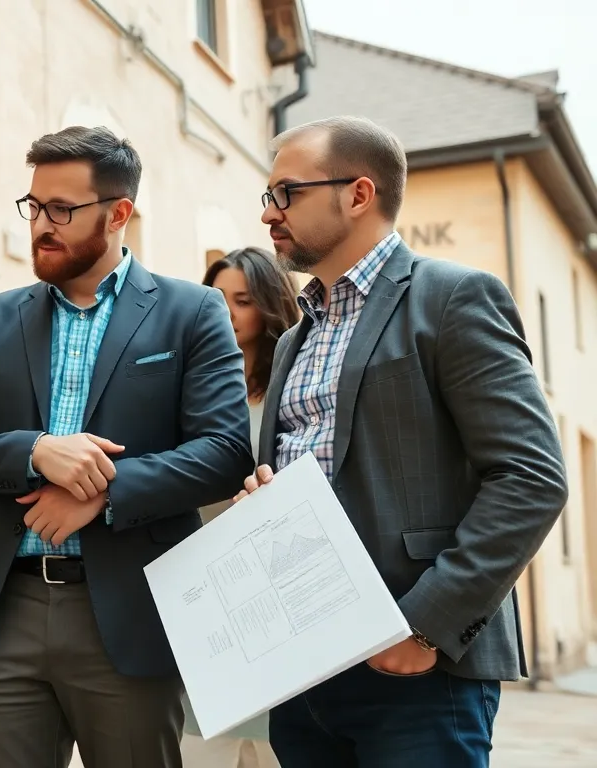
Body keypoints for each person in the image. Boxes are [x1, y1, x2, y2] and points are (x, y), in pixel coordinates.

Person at [234, 115, 567, 767]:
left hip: (417, 672)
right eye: (267, 197)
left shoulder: (452, 299)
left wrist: (425, 626)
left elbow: (533, 477)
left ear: (358, 194)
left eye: (286, 194)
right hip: (303, 674)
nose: (269, 214)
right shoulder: (296, 339)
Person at [0, 125, 254, 768]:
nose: (41, 225)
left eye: (62, 210)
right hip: (1, 611)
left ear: (119, 213)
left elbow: (224, 451)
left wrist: (102, 495)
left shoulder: (193, 311)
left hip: (128, 611)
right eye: (34, 206)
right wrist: (37, 450)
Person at [179, 247, 300, 768]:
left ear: (270, 307)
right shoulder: (186, 391)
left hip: (280, 593)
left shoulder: (293, 391)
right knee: (200, 744)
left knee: (279, 745)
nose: (227, 310)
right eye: (217, 298)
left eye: (244, 300)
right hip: (200, 595)